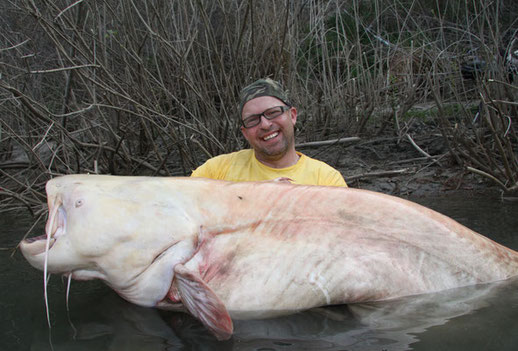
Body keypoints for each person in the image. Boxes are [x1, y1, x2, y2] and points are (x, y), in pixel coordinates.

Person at [191, 78, 347, 187]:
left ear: (292, 115)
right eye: (253, 120)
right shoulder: (215, 171)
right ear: (245, 133)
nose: (265, 125)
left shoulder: (326, 180)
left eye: (273, 113)